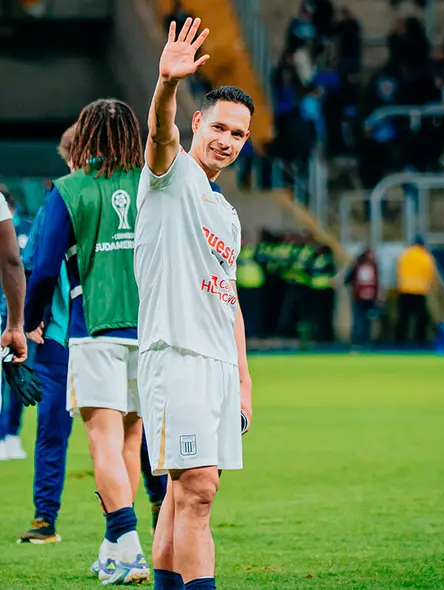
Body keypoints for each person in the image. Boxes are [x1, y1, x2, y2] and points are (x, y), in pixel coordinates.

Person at [136, 17, 254, 590]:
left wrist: (244, 380)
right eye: (220, 127)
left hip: (217, 367)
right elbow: (159, 133)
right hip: (175, 355)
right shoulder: (170, 174)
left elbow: (229, 300)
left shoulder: (226, 214)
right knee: (200, 490)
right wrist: (166, 84)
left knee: (183, 494)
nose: (227, 140)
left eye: (239, 135)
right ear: (197, 122)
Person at [23, 98, 151, 583]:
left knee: (103, 443)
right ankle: (113, 547)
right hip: (150, 331)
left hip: (95, 331)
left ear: (84, 137)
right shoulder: (150, 182)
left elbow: (43, 269)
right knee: (132, 439)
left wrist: (31, 319)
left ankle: (130, 546)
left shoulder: (70, 189)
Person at [16, 124, 74, 544]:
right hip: (70, 337)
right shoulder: (59, 203)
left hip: (60, 339)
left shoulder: (64, 199)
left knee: (52, 431)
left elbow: (31, 266)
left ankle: (44, 520)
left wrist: (25, 321)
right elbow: (32, 267)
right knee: (133, 432)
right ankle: (156, 511)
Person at [0, 186, 31, 460]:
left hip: (12, 314)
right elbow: (12, 263)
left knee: (15, 377)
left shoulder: (27, 228)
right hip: (12, 318)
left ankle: (12, 434)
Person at [395, 236, 443, 346]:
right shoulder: (426, 256)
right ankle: (420, 341)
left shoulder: (405, 254)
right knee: (422, 318)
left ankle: (400, 342)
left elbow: (398, 271)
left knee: (403, 318)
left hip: (405, 290)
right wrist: (434, 287)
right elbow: (432, 274)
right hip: (420, 291)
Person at [334, 247, 380, 347]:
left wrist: (377, 296)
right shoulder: (357, 266)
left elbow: (376, 283)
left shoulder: (374, 266)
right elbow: (347, 279)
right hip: (358, 298)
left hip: (370, 299)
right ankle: (355, 341)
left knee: (367, 320)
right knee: (357, 320)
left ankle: (365, 341)